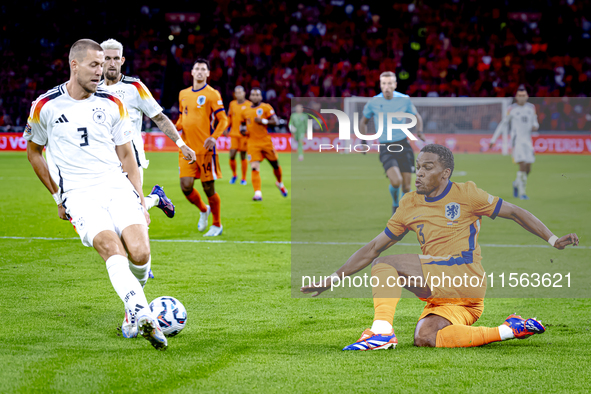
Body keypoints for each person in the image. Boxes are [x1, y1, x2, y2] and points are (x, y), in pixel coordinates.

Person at [301, 144, 578, 350]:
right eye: (418, 166)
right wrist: (334, 278)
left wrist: (553, 240)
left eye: (427, 167)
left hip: (465, 277)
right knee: (425, 338)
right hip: (451, 300)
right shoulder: (409, 203)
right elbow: (374, 246)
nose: (419, 173)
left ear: (445, 173)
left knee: (387, 265)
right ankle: (509, 329)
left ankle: (381, 332)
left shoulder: (467, 194)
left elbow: (516, 212)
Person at [24, 39, 168, 350]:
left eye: (102, 65)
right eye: (94, 65)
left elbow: (128, 156)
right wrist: (57, 197)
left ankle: (131, 315)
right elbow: (34, 152)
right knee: (111, 247)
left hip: (116, 186)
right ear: (74, 65)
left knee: (140, 253)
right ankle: (142, 313)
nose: (100, 71)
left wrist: (141, 200)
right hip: (79, 194)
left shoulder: (112, 104)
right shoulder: (45, 106)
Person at [98, 38, 196, 218]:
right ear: (99, 61)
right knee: (107, 213)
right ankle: (157, 198)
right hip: (102, 160)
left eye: (115, 58)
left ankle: (152, 202)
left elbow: (159, 117)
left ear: (122, 60)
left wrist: (181, 144)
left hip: (131, 159)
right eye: (107, 58)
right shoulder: (92, 90)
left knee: (132, 214)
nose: (111, 63)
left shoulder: (135, 87)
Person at [359, 71, 425, 215]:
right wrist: (363, 140)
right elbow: (363, 121)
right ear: (380, 85)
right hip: (386, 147)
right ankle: (396, 205)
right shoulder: (374, 102)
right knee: (396, 181)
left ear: (395, 85)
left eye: (389, 83)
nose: (386, 86)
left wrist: (419, 131)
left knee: (407, 187)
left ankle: (402, 211)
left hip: (403, 145)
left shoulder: (404, 100)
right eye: (383, 83)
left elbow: (417, 116)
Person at [175, 59, 229, 236]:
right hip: (186, 149)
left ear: (208, 73)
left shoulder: (212, 94)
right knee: (186, 186)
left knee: (208, 188)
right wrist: (176, 126)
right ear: (191, 72)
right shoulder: (183, 93)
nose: (199, 71)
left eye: (203, 69)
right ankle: (203, 209)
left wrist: (214, 138)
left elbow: (224, 120)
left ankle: (217, 224)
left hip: (205, 151)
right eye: (196, 68)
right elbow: (184, 117)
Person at [489, 86, 539, 200]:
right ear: (516, 97)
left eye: (524, 95)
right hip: (517, 142)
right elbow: (503, 124)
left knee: (528, 169)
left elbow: (535, 122)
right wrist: (493, 139)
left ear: (527, 96)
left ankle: (516, 183)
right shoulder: (511, 109)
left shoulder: (531, 108)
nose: (522, 97)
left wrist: (536, 126)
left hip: (528, 142)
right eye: (519, 95)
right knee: (522, 165)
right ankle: (522, 192)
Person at [240, 88, 287, 201]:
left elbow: (275, 121)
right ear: (250, 97)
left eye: (257, 95)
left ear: (261, 97)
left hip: (265, 142)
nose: (255, 97)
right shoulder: (245, 111)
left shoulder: (266, 107)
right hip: (252, 143)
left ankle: (280, 183)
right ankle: (258, 193)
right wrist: (242, 130)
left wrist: (263, 121)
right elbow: (242, 125)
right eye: (253, 95)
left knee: (275, 165)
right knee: (255, 168)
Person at [225, 85, 251, 185]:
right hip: (234, 134)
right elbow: (229, 117)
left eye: (240, 92)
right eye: (237, 92)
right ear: (235, 94)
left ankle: (243, 178)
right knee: (232, 155)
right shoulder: (232, 104)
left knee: (243, 156)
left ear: (244, 93)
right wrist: (226, 127)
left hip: (244, 135)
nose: (238, 94)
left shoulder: (249, 104)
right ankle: (234, 175)